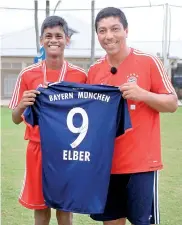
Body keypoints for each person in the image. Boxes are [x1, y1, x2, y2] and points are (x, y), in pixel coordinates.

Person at [87, 7, 178, 225]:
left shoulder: (148, 62)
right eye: (102, 31)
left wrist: (142, 94)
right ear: (97, 35)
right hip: (107, 166)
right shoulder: (94, 71)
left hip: (141, 165)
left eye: (115, 29)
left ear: (126, 30)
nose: (109, 36)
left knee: (143, 222)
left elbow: (172, 103)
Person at [9, 15, 87, 225]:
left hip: (68, 150)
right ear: (41, 40)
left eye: (59, 36)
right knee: (40, 209)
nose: (54, 40)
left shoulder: (80, 76)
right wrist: (22, 105)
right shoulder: (27, 74)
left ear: (67, 39)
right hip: (38, 148)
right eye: (48, 36)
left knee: (64, 210)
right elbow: (16, 118)